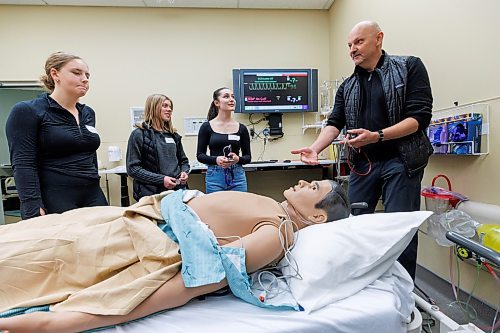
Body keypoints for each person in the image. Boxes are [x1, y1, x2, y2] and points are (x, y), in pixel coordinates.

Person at [0, 179, 350, 333]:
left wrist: (75, 319)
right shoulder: (273, 207)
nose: (305, 183)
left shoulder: (278, 232)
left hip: (145, 239)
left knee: (40, 258)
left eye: (314, 188)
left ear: (318, 217)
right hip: (142, 216)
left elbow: (207, 275)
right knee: (34, 237)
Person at [291, 21, 433, 280]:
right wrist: (314, 148)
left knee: (399, 228)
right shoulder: (348, 86)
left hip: (401, 161)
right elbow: (335, 123)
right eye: (349, 45)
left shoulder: (408, 67)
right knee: (352, 224)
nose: (352, 50)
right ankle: (359, 283)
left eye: (359, 42)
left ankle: (402, 292)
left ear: (378, 39)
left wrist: (377, 136)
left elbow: (419, 118)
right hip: (363, 165)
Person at [5, 51, 108, 220]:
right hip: (55, 196)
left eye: (87, 75)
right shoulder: (28, 111)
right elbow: (23, 164)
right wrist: (32, 206)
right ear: (55, 74)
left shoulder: (88, 113)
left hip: (92, 194)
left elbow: (90, 155)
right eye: (76, 73)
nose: (85, 79)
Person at [126, 94, 190, 201]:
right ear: (153, 107)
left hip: (178, 191)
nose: (169, 109)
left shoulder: (174, 135)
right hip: (152, 194)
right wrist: (162, 179)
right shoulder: (139, 134)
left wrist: (184, 172)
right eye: (164, 106)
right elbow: (133, 169)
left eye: (170, 107)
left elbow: (183, 161)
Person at [196, 87, 251, 193]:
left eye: (233, 97)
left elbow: (247, 157)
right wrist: (216, 160)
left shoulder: (242, 128)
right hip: (215, 177)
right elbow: (200, 155)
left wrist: (237, 159)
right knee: (216, 208)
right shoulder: (206, 127)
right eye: (226, 96)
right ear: (217, 103)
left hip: (237, 177)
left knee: (239, 208)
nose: (231, 99)